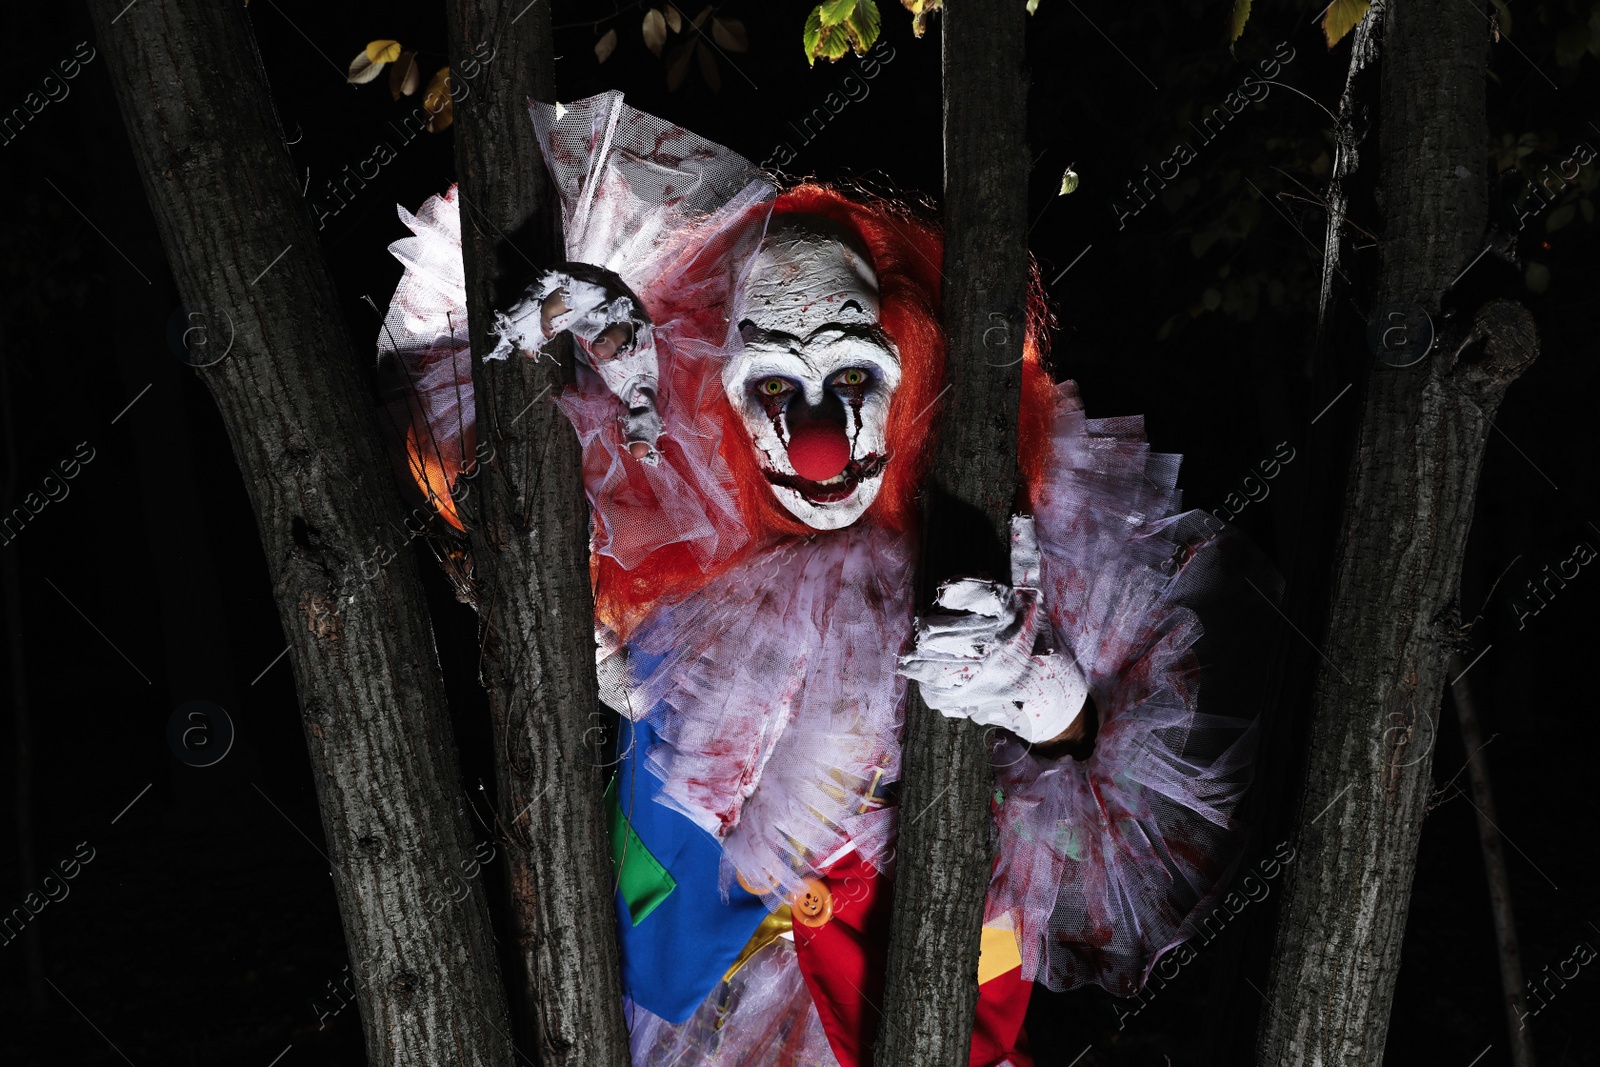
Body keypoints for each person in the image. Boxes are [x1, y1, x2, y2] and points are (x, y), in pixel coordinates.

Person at [377, 91, 1281, 1067]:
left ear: (913, 363)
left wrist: (1041, 690)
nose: (818, 443)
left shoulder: (1007, 536)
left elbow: (1145, 777)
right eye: (772, 385)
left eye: (851, 377)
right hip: (696, 1014)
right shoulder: (683, 558)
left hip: (924, 1001)